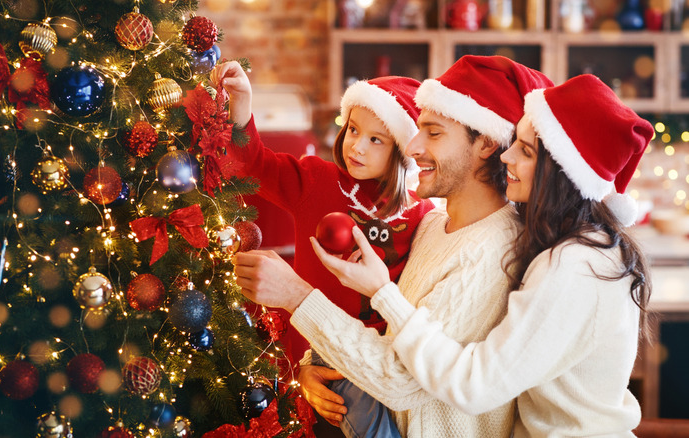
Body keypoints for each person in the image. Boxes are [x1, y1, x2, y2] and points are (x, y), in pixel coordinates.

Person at [238, 73, 654, 436]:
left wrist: (299, 296)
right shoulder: (435, 226)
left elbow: (444, 381)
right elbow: (390, 341)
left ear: (486, 144)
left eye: (433, 133)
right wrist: (319, 365)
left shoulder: (537, 258)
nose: (413, 145)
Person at [211, 63, 434, 433]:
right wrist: (243, 108)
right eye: (353, 130)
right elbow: (254, 164)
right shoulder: (315, 180)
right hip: (312, 360)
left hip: (376, 365)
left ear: (402, 152)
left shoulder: (419, 212)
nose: (357, 147)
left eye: (376, 140)